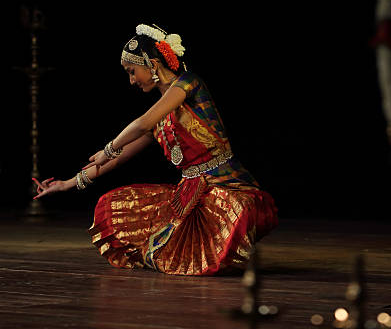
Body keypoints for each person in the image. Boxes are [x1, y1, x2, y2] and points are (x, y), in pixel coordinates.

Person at [32, 24, 278, 275]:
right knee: (110, 206)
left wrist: (109, 148)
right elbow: (118, 159)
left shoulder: (189, 83)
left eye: (132, 71)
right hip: (189, 196)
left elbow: (141, 124)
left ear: (152, 63)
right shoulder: (159, 118)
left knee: (240, 209)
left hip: (228, 186)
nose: (131, 80)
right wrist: (67, 184)